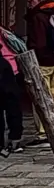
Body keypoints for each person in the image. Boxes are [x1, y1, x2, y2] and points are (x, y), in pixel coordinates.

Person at [24, 0, 54, 141]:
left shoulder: (39, 16)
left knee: (41, 96)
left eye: (30, 1)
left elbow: (39, 42)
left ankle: (44, 131)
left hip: (43, 62)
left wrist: (35, 57)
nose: (28, 5)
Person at [0, 27, 24, 156]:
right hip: (12, 69)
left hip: (6, 70)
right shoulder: (3, 31)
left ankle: (5, 143)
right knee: (13, 107)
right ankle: (15, 140)